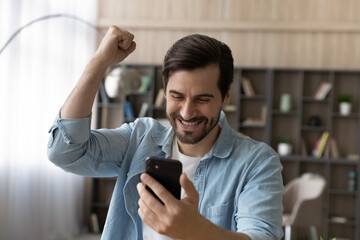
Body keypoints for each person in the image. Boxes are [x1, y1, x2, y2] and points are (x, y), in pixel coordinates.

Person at [47, 26, 284, 240]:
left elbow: (261, 235)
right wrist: (99, 63)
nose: (187, 112)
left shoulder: (257, 162)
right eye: (177, 96)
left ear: (227, 95)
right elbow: (65, 152)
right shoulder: (139, 138)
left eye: (202, 99)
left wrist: (199, 232)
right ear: (165, 91)